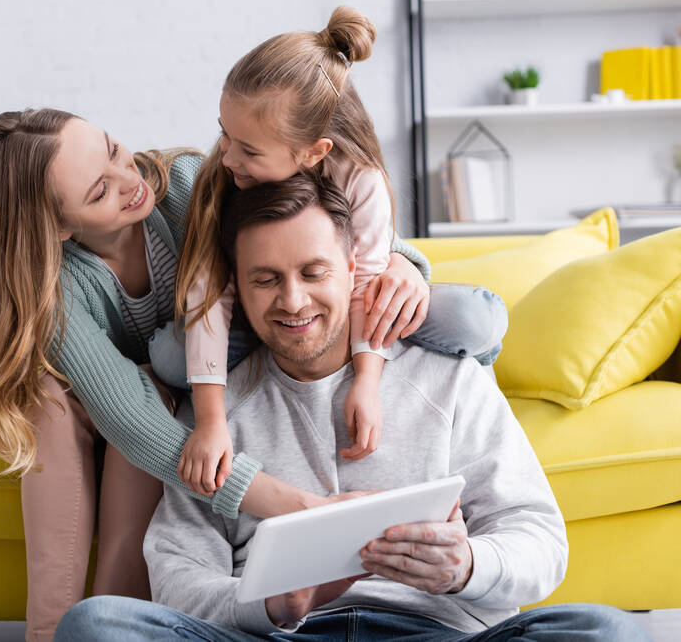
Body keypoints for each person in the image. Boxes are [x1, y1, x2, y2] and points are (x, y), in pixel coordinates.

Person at [55, 173, 648, 641]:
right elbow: (178, 571)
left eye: (314, 273)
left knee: (612, 631)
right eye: (265, 280)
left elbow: (540, 539)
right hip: (280, 636)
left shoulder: (450, 379)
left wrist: (467, 566)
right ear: (235, 285)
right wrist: (273, 601)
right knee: (98, 626)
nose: (292, 301)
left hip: (437, 631)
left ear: (355, 270)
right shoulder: (215, 410)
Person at [0, 109, 434, 640]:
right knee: (51, 399)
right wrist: (305, 510)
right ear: (59, 226)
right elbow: (135, 421)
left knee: (160, 383)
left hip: (180, 378)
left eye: (115, 151)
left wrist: (402, 262)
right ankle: (53, 632)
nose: (129, 181)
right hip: (106, 404)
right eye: (99, 192)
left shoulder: (184, 183)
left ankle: (123, 618)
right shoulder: (51, 289)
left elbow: (308, 223)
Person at [157, 6, 507, 498]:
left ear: (314, 153)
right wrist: (212, 421)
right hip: (259, 315)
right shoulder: (224, 176)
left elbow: (363, 281)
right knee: (173, 360)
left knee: (474, 320)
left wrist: (366, 379)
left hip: (352, 303)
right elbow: (207, 294)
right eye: (223, 134)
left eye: (250, 151)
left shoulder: (360, 181)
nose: (228, 156)